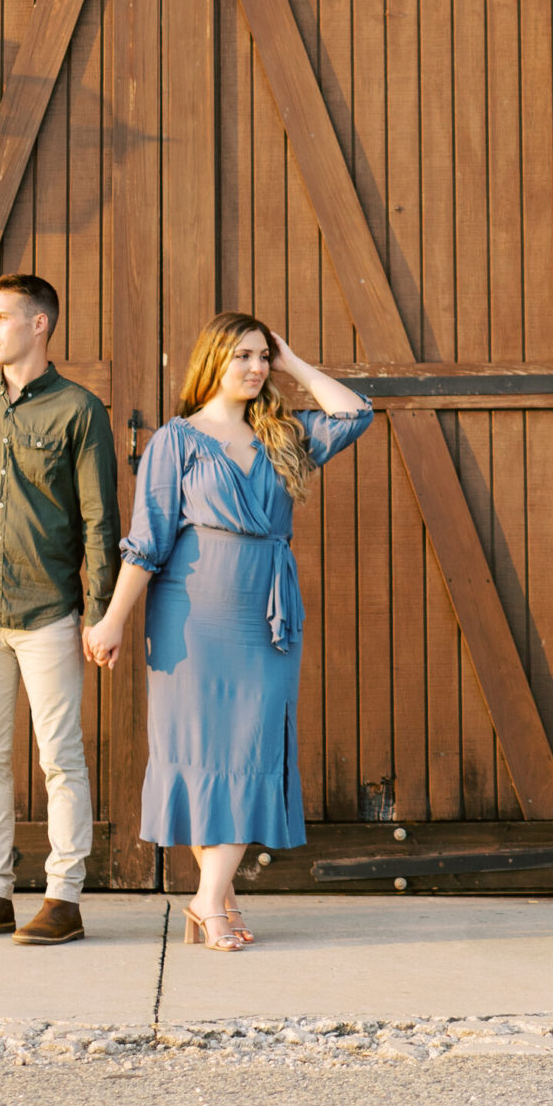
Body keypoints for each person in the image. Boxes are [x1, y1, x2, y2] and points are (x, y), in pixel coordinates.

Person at [83, 313, 371, 951]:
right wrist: (112, 619)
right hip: (191, 611)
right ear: (212, 359)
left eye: (263, 357)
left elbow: (355, 415)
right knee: (199, 751)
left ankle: (208, 898)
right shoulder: (175, 441)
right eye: (243, 355)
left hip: (263, 613)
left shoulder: (282, 434)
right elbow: (147, 541)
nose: (256, 367)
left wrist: (297, 363)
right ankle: (219, 898)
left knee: (251, 744)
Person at [0, 273, 119, 945]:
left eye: (1, 317)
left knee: (59, 757)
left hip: (48, 615)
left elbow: (99, 520)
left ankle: (63, 898)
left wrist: (98, 613)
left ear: (40, 324)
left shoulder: (79, 411)